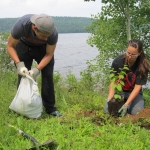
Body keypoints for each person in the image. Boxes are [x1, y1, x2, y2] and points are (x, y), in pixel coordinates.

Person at [7, 13, 62, 117]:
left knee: (48, 76)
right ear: (34, 28)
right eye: (43, 36)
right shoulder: (21, 25)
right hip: (23, 45)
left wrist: (37, 69)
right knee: (23, 76)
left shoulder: (53, 34)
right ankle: (22, 106)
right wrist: (19, 65)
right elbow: (10, 46)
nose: (46, 38)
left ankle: (50, 109)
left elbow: (49, 54)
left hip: (43, 49)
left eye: (48, 36)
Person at [104, 39, 150, 116]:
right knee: (107, 111)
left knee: (136, 112)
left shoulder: (143, 66)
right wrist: (109, 99)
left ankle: (130, 106)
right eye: (128, 53)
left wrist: (126, 105)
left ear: (139, 53)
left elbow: (137, 88)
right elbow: (113, 82)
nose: (129, 56)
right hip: (121, 92)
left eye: (133, 55)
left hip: (135, 94)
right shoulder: (118, 61)